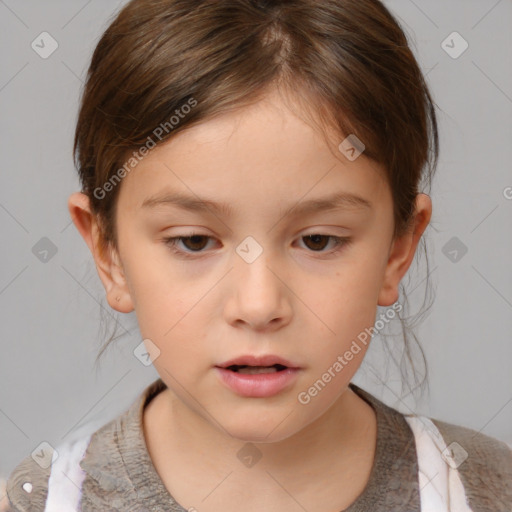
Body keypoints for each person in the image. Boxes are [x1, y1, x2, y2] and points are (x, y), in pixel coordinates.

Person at [5, 0, 511, 510]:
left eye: (318, 240)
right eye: (195, 241)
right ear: (107, 250)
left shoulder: (487, 489)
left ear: (397, 250)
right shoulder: (38, 501)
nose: (258, 304)